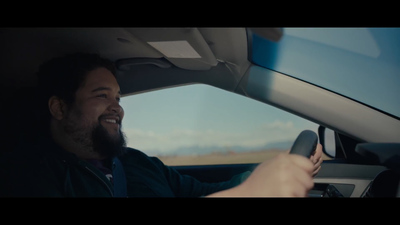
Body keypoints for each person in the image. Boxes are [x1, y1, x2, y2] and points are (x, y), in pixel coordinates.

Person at [0, 52, 323, 197]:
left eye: (119, 98)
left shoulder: (137, 163)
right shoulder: (27, 175)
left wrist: (276, 170)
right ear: (59, 107)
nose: (117, 108)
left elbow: (201, 191)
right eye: (102, 95)